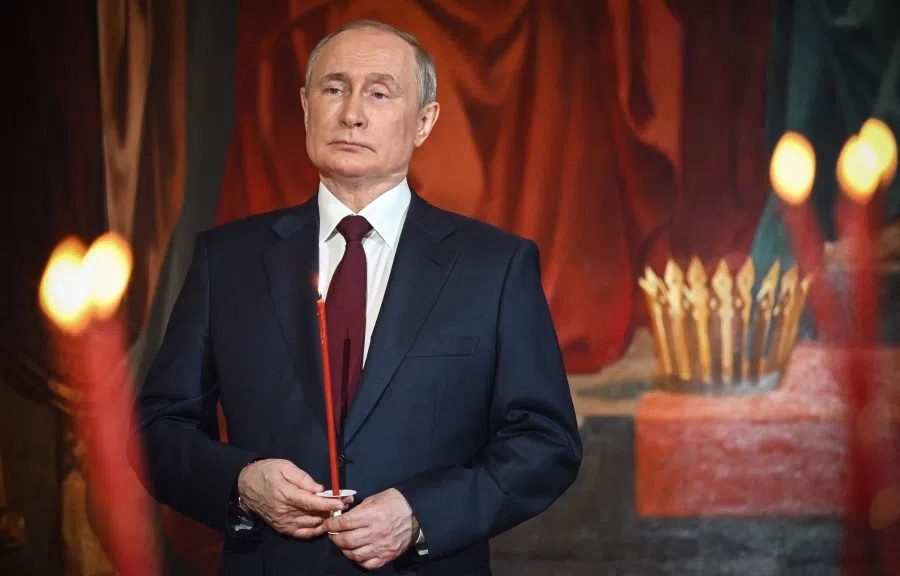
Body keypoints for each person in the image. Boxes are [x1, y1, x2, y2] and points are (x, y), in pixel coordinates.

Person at [134, 19, 582, 576]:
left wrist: (421, 514)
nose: (352, 113)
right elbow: (158, 427)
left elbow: (546, 443)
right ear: (305, 107)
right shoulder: (226, 260)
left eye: (379, 92)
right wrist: (241, 483)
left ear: (424, 122)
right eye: (334, 88)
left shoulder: (494, 266)